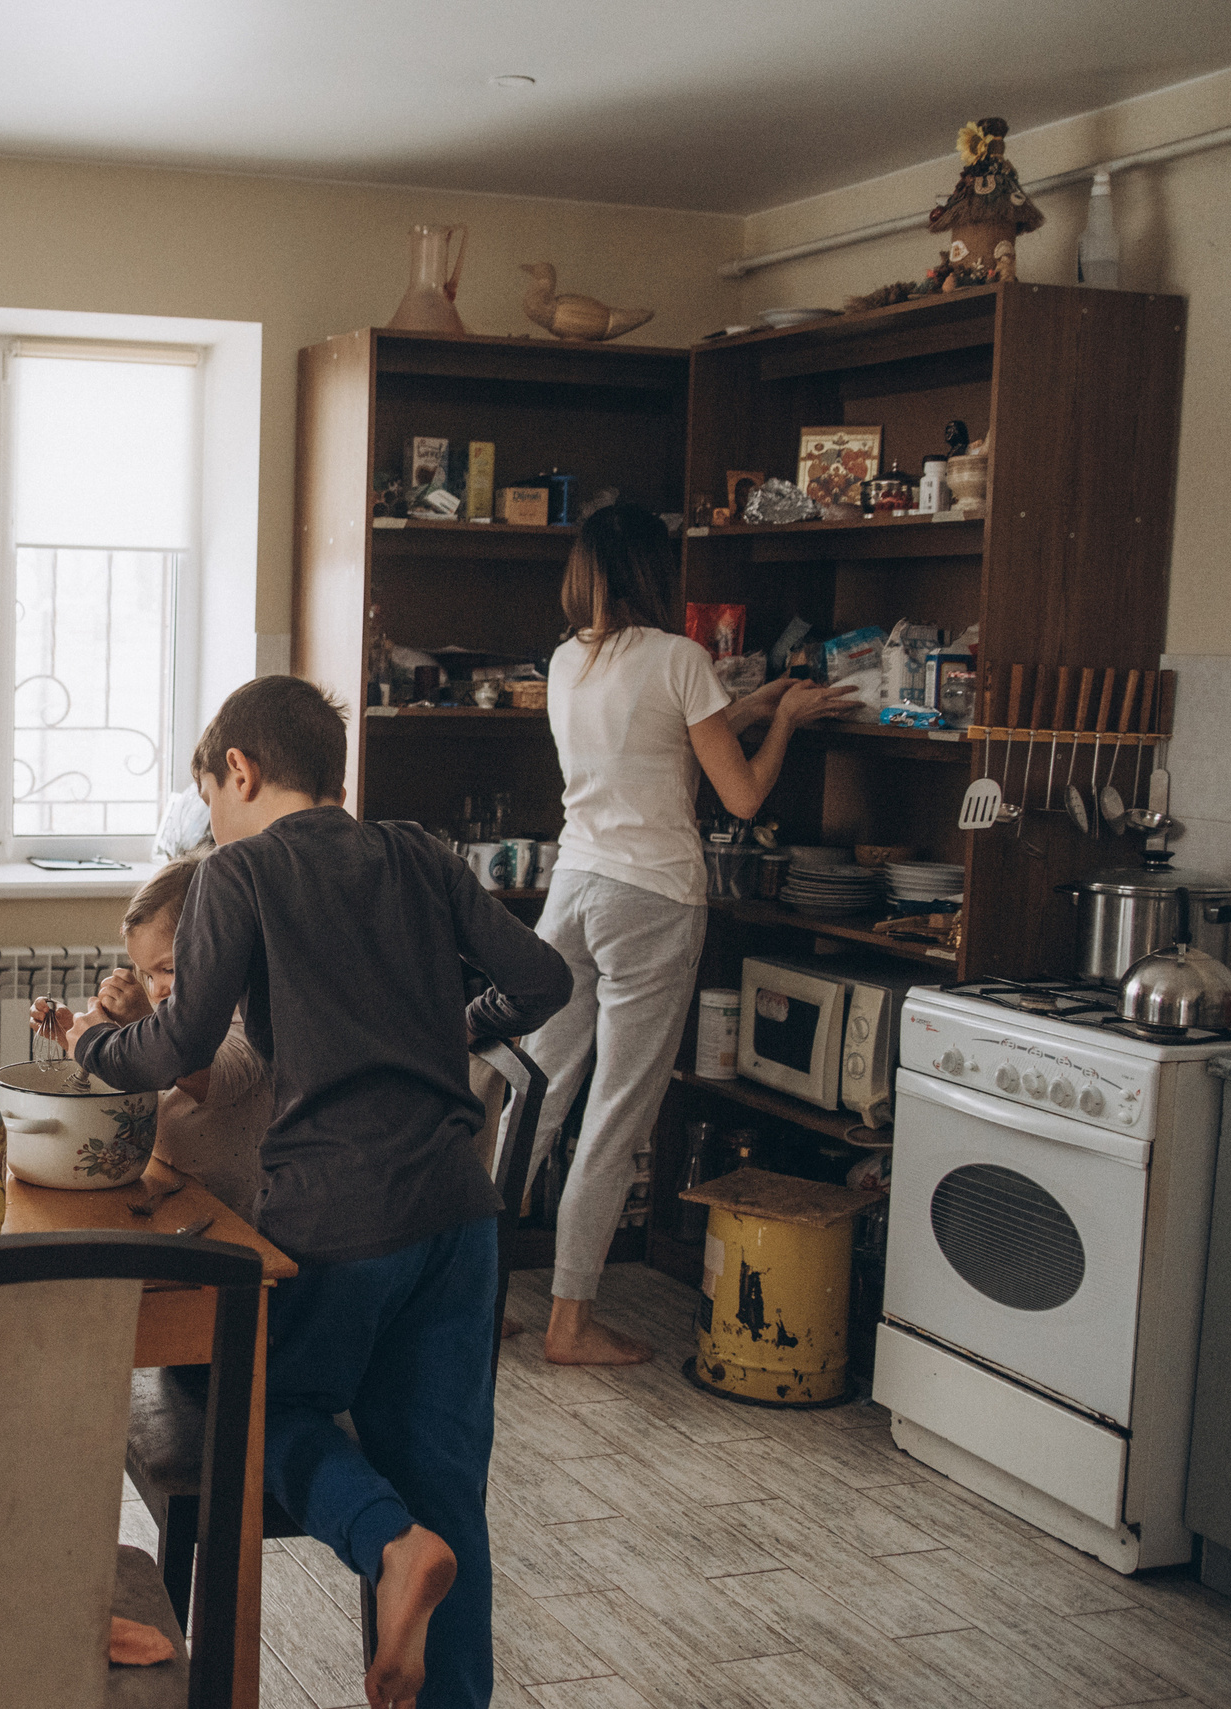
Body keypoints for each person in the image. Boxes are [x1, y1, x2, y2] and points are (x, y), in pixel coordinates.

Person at [54, 676, 572, 1709]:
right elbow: (543, 982)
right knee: (447, 1489)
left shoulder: (237, 872)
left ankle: (387, 1544)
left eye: (210, 794)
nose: (211, 817)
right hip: (458, 1216)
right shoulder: (420, 851)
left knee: (259, 1411)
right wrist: (451, 1025)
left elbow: (180, 1040)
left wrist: (89, 1043)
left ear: (239, 770)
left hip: (340, 1218)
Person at [526, 504, 856, 1366]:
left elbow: (653, 738)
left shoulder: (566, 659)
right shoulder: (680, 656)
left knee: (533, 1097)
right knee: (615, 1116)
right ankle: (570, 1322)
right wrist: (784, 723)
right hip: (652, 900)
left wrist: (750, 703)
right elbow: (741, 794)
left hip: (572, 892)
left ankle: (465, 1303)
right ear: (652, 570)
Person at [31, 852, 269, 1215]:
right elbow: (138, 1071)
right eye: (148, 974)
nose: (157, 989)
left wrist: (143, 1025)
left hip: (229, 1208)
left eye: (169, 969)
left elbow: (214, 1079)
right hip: (166, 1183)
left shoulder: (250, 1013)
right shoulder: (166, 1013)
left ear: (218, 951)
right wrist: (74, 1040)